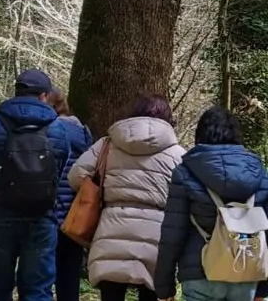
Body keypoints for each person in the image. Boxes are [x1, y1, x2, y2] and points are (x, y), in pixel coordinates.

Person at [0, 69, 92, 301]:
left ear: (16, 92)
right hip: (42, 219)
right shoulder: (57, 129)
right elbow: (58, 176)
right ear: (44, 96)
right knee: (38, 290)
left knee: (0, 288)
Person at [68, 94, 184, 301]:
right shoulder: (176, 153)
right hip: (155, 234)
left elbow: (75, 176)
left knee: (112, 293)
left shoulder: (106, 145)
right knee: (150, 294)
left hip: (111, 227)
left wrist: (103, 187)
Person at [154, 107, 268, 301]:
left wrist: (164, 287)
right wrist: (264, 288)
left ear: (200, 135)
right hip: (246, 272)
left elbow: (172, 234)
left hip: (199, 273)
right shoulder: (259, 174)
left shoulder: (185, 173)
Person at [48, 88, 92, 301]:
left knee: (42, 277)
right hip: (75, 217)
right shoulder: (83, 133)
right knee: (70, 276)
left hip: (48, 214)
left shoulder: (46, 130)